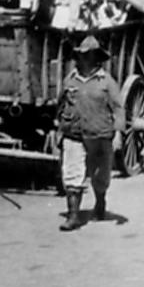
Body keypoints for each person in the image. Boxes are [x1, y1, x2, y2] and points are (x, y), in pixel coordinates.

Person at [56, 35, 125, 231]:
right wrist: (58, 129)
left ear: (96, 58)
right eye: (81, 56)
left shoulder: (107, 82)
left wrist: (118, 133)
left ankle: (100, 202)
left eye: (88, 56)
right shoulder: (70, 80)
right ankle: (73, 215)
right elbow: (60, 105)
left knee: (100, 174)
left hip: (100, 134)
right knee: (72, 172)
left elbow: (118, 108)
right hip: (74, 133)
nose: (83, 60)